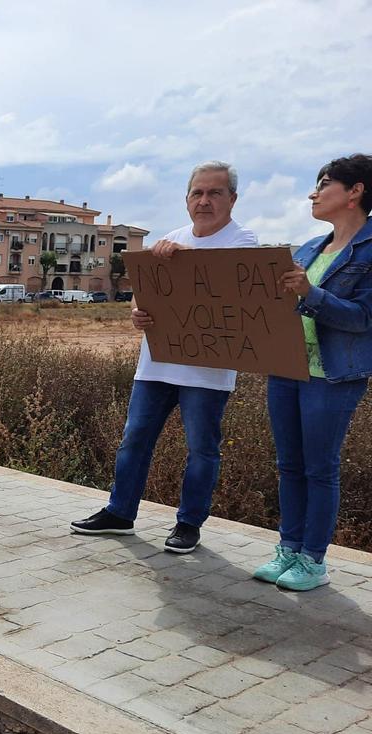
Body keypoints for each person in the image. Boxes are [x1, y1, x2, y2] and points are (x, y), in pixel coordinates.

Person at [71, 162, 258, 553]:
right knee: (134, 439)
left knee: (202, 448)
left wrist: (186, 258)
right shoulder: (168, 240)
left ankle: (189, 523)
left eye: (214, 193)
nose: (204, 201)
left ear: (232, 199)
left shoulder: (244, 243)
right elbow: (146, 295)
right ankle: (120, 513)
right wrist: (136, 311)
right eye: (197, 193)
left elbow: (235, 296)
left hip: (207, 373)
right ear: (187, 199)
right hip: (156, 364)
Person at [253, 154, 372, 591]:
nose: (313, 193)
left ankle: (313, 561)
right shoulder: (308, 248)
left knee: (319, 467)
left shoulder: (370, 250)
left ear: (355, 191)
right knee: (289, 465)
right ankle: (289, 548)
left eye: (323, 184)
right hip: (287, 368)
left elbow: (363, 318)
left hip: (332, 374)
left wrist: (311, 293)